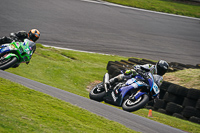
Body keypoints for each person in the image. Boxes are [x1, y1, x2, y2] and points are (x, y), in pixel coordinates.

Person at [105, 60, 169, 98]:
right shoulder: (150, 67)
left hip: (146, 85)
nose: (162, 72)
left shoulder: (160, 78)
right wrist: (139, 68)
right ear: (158, 67)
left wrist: (157, 94)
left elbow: (157, 86)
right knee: (130, 72)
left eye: (163, 71)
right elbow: (140, 67)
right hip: (139, 77)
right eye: (161, 70)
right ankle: (111, 81)